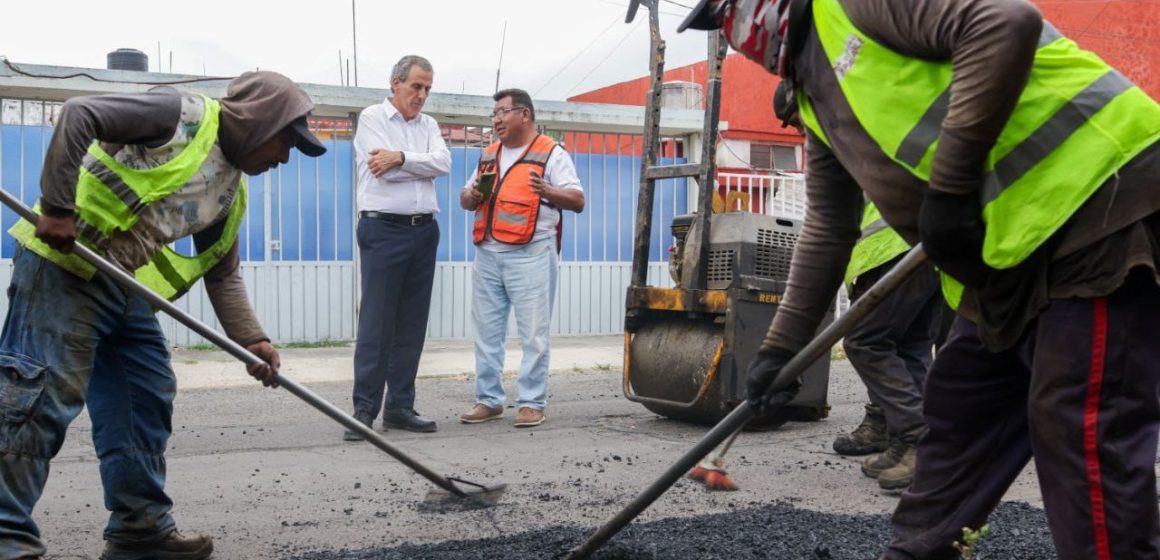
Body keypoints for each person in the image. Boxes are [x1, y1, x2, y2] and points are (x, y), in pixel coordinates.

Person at [680, 0, 1160, 558]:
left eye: (727, 18)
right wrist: (780, 351)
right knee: (957, 417)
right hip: (1006, 264)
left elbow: (1006, 23)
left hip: (1100, 204)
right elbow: (828, 232)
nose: (736, 40)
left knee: (1077, 431)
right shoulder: (815, 101)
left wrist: (952, 188)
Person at [0, 71, 326, 560]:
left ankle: (140, 530)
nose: (284, 158)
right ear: (260, 121)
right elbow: (78, 113)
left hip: (121, 284)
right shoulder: (180, 116)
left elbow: (223, 275)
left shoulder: (230, 194)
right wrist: (57, 206)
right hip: (66, 265)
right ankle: (6, 535)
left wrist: (252, 341)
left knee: (144, 396)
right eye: (285, 142)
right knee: (38, 396)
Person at [776, 79, 944, 490]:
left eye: (794, 120)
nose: (796, 130)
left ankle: (917, 440)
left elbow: (828, 226)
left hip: (889, 248)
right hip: (926, 245)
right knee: (911, 346)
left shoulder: (837, 129)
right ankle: (912, 445)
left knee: (865, 341)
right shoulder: (866, 115)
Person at [457, 89, 585, 428]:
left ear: (524, 115)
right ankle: (488, 400)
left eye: (502, 112)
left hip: (532, 253)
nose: (496, 120)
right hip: (487, 253)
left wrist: (548, 191)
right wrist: (469, 196)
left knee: (533, 334)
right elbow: (465, 198)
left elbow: (577, 199)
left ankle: (531, 403)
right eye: (494, 114)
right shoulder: (489, 154)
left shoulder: (551, 153)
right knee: (486, 332)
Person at [346, 55, 450, 440]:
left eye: (427, 89)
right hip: (384, 231)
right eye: (416, 87)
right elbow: (380, 170)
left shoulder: (430, 126)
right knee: (377, 322)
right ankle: (363, 411)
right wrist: (415, 165)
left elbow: (443, 162)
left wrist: (403, 157)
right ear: (396, 83)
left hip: (424, 231)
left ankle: (400, 407)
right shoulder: (372, 119)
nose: (421, 95)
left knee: (411, 324)